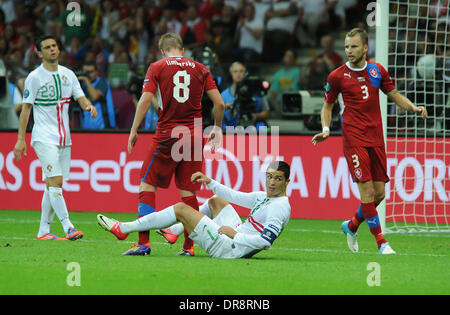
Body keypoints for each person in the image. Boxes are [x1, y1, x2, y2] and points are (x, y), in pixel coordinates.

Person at [311, 28, 428, 254]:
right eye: (346, 47)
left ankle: (352, 225)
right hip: (353, 138)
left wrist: (412, 107)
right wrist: (326, 129)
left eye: (354, 46)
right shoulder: (336, 76)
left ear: (365, 48)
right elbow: (327, 106)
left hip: (376, 137)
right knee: (366, 192)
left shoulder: (377, 71)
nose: (349, 51)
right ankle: (381, 243)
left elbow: (393, 94)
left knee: (379, 194)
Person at [124, 33, 225, 256]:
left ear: (162, 51)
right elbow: (219, 103)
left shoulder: (157, 67)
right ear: (181, 49)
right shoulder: (200, 68)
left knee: (147, 185)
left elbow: (146, 99)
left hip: (169, 134)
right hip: (195, 135)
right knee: (188, 192)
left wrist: (134, 129)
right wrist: (217, 128)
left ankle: (143, 243)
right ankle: (189, 247)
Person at [97, 161, 291, 259]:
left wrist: (235, 235)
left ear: (287, 182)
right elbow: (234, 196)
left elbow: (265, 242)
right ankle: (174, 231)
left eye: (278, 179)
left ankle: (124, 229)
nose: (271, 183)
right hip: (236, 234)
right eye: (269, 177)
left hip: (231, 247)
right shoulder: (265, 197)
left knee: (181, 208)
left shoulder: (279, 208)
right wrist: (210, 182)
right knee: (216, 201)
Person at [13, 35, 97, 241]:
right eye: (47, 47)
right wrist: (20, 139)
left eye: (54, 46)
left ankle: (43, 230)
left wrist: (88, 105)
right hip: (43, 137)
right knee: (56, 181)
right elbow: (26, 110)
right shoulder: (34, 77)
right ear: (40, 53)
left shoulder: (69, 74)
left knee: (52, 185)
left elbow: (80, 96)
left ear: (58, 49)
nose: (52, 49)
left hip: (64, 139)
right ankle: (68, 226)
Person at [221, 61, 269, 130]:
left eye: (241, 71)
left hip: (254, 125)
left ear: (245, 73)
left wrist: (256, 116)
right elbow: (214, 113)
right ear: (231, 74)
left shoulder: (257, 91)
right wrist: (224, 107)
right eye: (235, 71)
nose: (238, 74)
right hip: (232, 126)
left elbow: (267, 112)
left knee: (262, 128)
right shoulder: (224, 95)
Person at [77, 62, 116, 129]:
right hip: (86, 128)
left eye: (90, 72)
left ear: (96, 72)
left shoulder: (102, 82)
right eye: (86, 72)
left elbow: (94, 97)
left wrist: (86, 79)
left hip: (103, 128)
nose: (88, 75)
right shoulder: (81, 86)